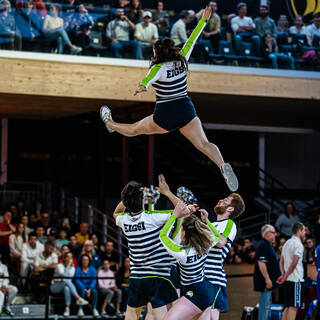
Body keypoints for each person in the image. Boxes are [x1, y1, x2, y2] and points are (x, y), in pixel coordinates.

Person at [100, 6, 239, 193]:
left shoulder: (157, 68)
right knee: (204, 144)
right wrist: (203, 20)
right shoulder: (182, 58)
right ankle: (222, 164)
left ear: (158, 53)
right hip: (186, 109)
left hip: (166, 113)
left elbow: (147, 81)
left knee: (135, 129)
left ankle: (111, 124)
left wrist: (142, 87)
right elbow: (193, 38)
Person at [156, 173, 245, 320]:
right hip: (199, 279)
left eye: (226, 201)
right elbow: (185, 215)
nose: (221, 200)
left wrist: (206, 223)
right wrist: (169, 194)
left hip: (214, 279)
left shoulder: (229, 224)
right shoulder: (209, 224)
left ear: (230, 210)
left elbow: (220, 242)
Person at [113, 181, 179, 320]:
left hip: (137, 276)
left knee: (131, 314)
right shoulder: (155, 218)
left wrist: (128, 197)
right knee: (161, 315)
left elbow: (116, 212)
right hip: (157, 276)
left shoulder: (124, 220)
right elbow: (182, 209)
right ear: (143, 200)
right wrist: (167, 192)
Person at [158, 200, 221, 320]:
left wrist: (174, 215)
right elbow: (217, 236)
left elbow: (163, 236)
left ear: (185, 232)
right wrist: (206, 221)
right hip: (205, 289)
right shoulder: (206, 244)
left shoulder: (182, 252)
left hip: (195, 293)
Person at [277, 222, 306, 320]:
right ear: (299, 230)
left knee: (287, 307)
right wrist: (285, 276)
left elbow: (281, 261)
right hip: (295, 280)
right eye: (304, 230)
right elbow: (294, 263)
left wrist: (283, 274)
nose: (305, 233)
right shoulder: (298, 244)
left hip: (287, 280)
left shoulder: (286, 243)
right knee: (294, 307)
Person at [253, 224, 281, 320]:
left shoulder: (267, 245)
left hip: (269, 282)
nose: (275, 235)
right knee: (264, 307)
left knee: (267, 306)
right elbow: (261, 263)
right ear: (266, 233)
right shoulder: (263, 245)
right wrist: (267, 279)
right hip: (265, 283)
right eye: (273, 232)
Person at [50, 252, 88, 316]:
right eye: (67, 257)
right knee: (66, 281)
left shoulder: (73, 268)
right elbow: (65, 276)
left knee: (67, 288)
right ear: (64, 258)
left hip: (65, 285)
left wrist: (60, 279)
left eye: (71, 257)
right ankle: (78, 298)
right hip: (55, 287)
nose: (69, 258)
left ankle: (67, 308)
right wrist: (68, 266)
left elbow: (68, 279)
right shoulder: (59, 266)